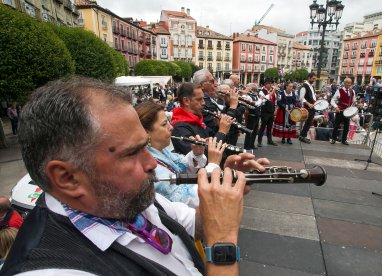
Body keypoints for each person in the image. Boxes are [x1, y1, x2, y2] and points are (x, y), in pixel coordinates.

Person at [1, 77, 267, 276]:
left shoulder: (120, 197)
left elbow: (194, 224)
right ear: (67, 178)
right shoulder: (52, 269)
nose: (152, 162)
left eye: (145, 146)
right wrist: (223, 245)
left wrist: (224, 189)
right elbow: (212, 232)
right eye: (132, 153)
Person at [135, 101, 224, 208]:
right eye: (164, 124)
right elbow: (190, 198)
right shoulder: (149, 166)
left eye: (168, 122)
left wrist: (196, 154)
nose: (171, 127)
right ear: (146, 132)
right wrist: (213, 164)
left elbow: (180, 169)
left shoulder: (160, 151)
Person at [171, 82, 232, 155]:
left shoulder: (197, 120)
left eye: (203, 99)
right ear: (186, 101)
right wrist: (222, 132)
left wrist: (218, 126)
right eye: (199, 99)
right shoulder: (179, 127)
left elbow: (212, 138)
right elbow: (201, 156)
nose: (203, 103)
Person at [329, 78, 357, 145]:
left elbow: (353, 101)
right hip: (340, 111)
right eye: (348, 83)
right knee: (336, 126)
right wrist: (336, 107)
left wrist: (354, 104)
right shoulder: (339, 90)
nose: (349, 84)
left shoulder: (352, 91)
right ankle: (333, 139)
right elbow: (332, 100)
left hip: (348, 112)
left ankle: (344, 140)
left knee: (346, 126)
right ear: (344, 83)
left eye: (350, 83)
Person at [298, 72, 318, 144]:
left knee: (309, 123)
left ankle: (303, 136)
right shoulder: (304, 86)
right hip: (307, 107)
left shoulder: (311, 86)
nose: (314, 80)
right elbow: (301, 98)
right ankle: (302, 136)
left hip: (312, 107)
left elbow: (313, 96)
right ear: (309, 77)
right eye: (313, 78)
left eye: (315, 79)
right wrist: (308, 103)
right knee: (307, 122)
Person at [258, 79, 278, 146]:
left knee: (270, 127)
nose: (270, 85)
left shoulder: (272, 92)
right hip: (265, 112)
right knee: (262, 127)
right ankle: (259, 141)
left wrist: (275, 109)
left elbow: (275, 101)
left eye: (271, 84)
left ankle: (270, 140)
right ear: (266, 84)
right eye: (269, 83)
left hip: (271, 111)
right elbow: (266, 98)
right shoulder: (261, 91)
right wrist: (273, 91)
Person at [243, 83, 263, 150]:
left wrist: (261, 99)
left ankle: (252, 144)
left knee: (255, 131)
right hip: (251, 116)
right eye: (255, 87)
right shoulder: (248, 96)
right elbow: (256, 104)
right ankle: (247, 146)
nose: (256, 88)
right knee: (249, 132)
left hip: (256, 115)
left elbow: (260, 103)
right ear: (251, 88)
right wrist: (260, 99)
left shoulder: (255, 95)